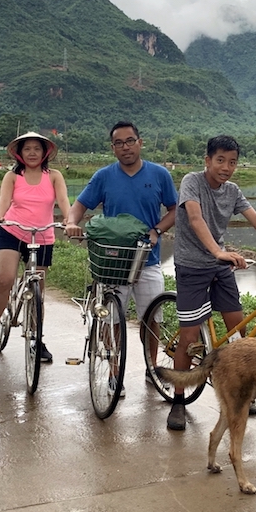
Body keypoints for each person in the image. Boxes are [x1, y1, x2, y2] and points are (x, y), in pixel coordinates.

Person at [166, 134, 256, 431]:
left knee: (238, 335)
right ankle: (178, 400)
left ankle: (241, 391)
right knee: (189, 337)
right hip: (192, 266)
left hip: (220, 267)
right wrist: (217, 250)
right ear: (207, 161)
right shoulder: (192, 181)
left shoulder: (233, 190)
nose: (226, 167)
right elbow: (195, 218)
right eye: (220, 161)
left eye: (232, 162)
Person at [65, 121, 178, 396]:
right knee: (111, 318)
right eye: (119, 143)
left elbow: (175, 209)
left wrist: (157, 229)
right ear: (113, 147)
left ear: (140, 142)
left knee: (152, 319)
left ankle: (152, 370)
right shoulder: (104, 176)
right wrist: (71, 222)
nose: (125, 147)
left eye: (130, 141)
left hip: (147, 259)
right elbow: (80, 204)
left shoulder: (159, 174)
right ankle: (115, 371)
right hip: (113, 260)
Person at [0, 132, 71, 360]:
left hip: (43, 235)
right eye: (27, 149)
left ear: (44, 152)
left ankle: (37, 339)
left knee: (38, 292)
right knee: (5, 279)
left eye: (36, 149)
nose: (31, 153)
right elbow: (4, 200)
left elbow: (64, 201)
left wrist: (70, 220)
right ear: (19, 153)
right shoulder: (12, 176)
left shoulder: (54, 176)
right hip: (12, 231)